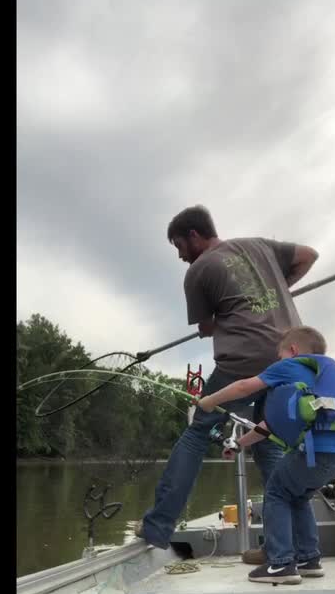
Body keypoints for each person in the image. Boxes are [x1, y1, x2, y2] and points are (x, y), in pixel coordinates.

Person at [135, 205, 318, 559]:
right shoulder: (260, 246)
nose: (179, 256)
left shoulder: (199, 271)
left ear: (194, 235)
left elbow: (206, 327)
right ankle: (292, 544)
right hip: (289, 358)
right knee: (268, 439)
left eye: (179, 246)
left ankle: (158, 526)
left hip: (242, 362)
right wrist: (279, 289)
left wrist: (234, 312)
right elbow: (308, 256)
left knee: (197, 430)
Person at [196, 326, 335, 584]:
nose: (278, 360)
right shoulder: (319, 376)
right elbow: (270, 425)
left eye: (279, 355)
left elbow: (242, 387)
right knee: (298, 497)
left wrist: (207, 401)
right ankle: (309, 559)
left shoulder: (288, 366)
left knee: (276, 492)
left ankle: (281, 563)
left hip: (316, 450)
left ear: (292, 350)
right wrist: (239, 443)